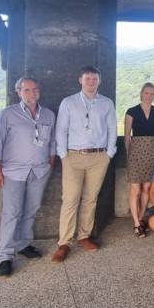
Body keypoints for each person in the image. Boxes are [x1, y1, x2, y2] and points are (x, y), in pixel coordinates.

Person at [0, 77, 56, 277]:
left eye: (35, 89)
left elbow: (52, 141)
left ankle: (23, 243)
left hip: (40, 170)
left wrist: (50, 163)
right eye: (26, 90)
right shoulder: (7, 114)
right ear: (18, 92)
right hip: (13, 171)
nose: (32, 93)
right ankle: (5, 256)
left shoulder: (48, 114)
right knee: (12, 212)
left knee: (32, 209)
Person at [52, 65, 117, 263]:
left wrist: (109, 153)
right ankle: (64, 242)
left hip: (99, 157)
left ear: (99, 81)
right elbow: (61, 129)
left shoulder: (106, 103)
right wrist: (63, 155)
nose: (91, 82)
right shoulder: (69, 102)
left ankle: (83, 236)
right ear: (80, 80)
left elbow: (112, 128)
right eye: (87, 78)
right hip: (73, 156)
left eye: (94, 78)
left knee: (90, 198)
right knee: (70, 199)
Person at [124, 82, 154, 238]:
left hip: (151, 152)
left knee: (147, 188)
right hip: (135, 152)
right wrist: (129, 154)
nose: (149, 96)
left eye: (152, 94)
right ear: (141, 93)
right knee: (136, 190)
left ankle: (140, 219)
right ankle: (136, 223)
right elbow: (127, 136)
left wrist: (152, 150)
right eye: (146, 93)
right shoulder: (131, 111)